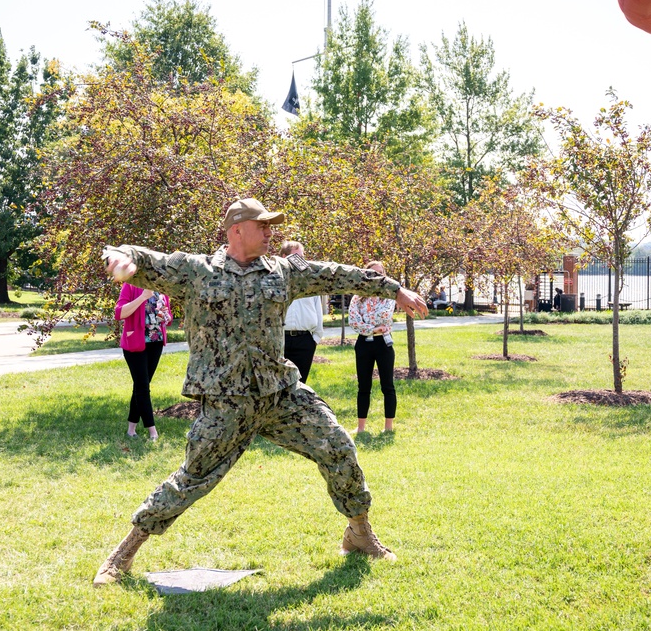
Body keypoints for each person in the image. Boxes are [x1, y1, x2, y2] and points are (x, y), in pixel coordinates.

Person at [94, 198, 428, 586]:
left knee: (337, 445)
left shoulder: (284, 272)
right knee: (192, 479)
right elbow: (137, 257)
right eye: (263, 225)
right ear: (236, 230)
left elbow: (337, 274)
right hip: (226, 403)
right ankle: (122, 555)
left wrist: (394, 289)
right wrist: (117, 258)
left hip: (278, 395)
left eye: (272, 226)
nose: (271, 232)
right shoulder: (195, 271)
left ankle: (359, 532)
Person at [115, 282, 172, 441]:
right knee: (142, 386)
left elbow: (166, 314)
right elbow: (119, 313)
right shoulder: (131, 286)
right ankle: (152, 431)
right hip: (135, 343)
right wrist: (142, 297)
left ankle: (131, 429)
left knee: (141, 385)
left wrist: (166, 317)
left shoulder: (162, 287)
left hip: (156, 342)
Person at [348, 262, 397, 434]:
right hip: (363, 344)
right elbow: (353, 320)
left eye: (380, 273)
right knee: (363, 386)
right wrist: (373, 328)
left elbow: (384, 315)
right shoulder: (357, 296)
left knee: (387, 386)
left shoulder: (389, 295)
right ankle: (361, 428)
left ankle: (388, 427)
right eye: (372, 273)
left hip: (383, 343)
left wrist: (366, 322)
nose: (376, 276)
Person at [279, 241, 324, 383]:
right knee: (281, 385)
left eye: (302, 257)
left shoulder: (310, 282)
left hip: (305, 341)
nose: (300, 261)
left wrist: (315, 339)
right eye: (295, 257)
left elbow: (318, 310)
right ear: (284, 256)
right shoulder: (274, 280)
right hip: (280, 340)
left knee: (300, 386)